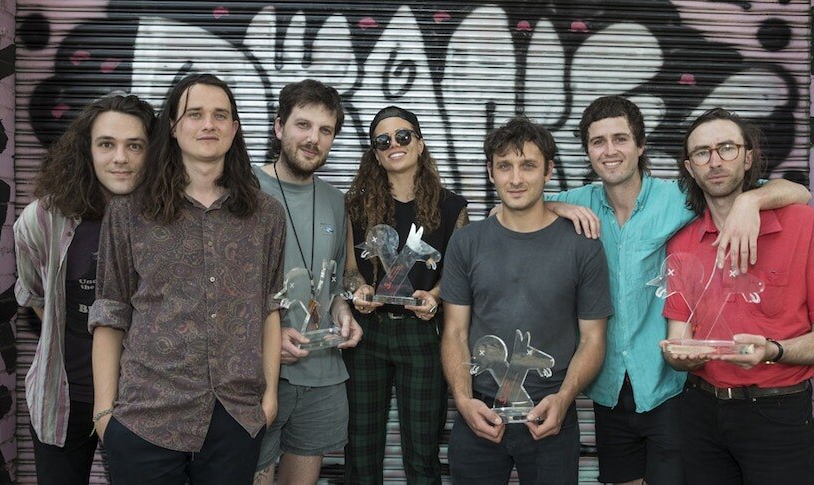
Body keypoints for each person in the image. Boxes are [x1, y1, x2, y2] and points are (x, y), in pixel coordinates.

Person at [543, 96, 811, 484]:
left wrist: (751, 200)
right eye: (598, 141)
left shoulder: (679, 198)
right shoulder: (577, 201)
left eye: (620, 139)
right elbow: (513, 206)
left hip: (668, 387)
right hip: (607, 388)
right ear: (587, 151)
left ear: (640, 146)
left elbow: (798, 193)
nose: (610, 150)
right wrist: (557, 209)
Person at [89, 73, 285, 484]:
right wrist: (105, 412)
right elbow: (110, 311)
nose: (208, 124)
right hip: (146, 415)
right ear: (174, 128)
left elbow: (269, 307)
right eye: (194, 114)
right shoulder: (129, 213)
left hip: (236, 415)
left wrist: (268, 399)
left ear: (234, 129)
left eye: (220, 115)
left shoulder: (266, 215)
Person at [660, 108, 814, 485]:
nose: (715, 161)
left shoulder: (805, 225)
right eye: (702, 153)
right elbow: (679, 339)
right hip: (701, 414)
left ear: (748, 157)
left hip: (778, 414)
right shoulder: (683, 244)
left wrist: (773, 350)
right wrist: (677, 356)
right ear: (689, 168)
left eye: (727, 148)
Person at [440, 116, 613, 484]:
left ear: (549, 171)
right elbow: (454, 332)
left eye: (528, 165)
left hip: (552, 418)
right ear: (490, 172)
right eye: (505, 166)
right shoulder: (466, 242)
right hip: (478, 417)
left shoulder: (583, 246)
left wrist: (564, 399)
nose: (516, 179)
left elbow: (593, 338)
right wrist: (464, 402)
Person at [14, 93, 155, 485]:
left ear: (154, 153)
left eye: (135, 146)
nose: (120, 158)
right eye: (106, 144)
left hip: (142, 401)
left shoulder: (166, 222)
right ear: (87, 150)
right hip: (63, 399)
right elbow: (36, 297)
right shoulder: (43, 220)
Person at [343, 106, 468, 484]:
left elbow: (456, 274)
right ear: (375, 153)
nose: (393, 145)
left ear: (420, 143)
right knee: (360, 450)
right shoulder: (354, 205)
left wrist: (435, 295)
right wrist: (358, 289)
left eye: (403, 136)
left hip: (422, 336)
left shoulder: (451, 207)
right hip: (367, 334)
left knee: (423, 451)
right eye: (383, 141)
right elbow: (349, 270)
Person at [253, 79, 362, 485]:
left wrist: (343, 312)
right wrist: (266, 338)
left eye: (325, 130)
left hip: (322, 375)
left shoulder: (336, 200)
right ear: (279, 127)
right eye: (303, 125)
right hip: (257, 375)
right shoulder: (244, 190)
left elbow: (332, 284)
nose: (313, 139)